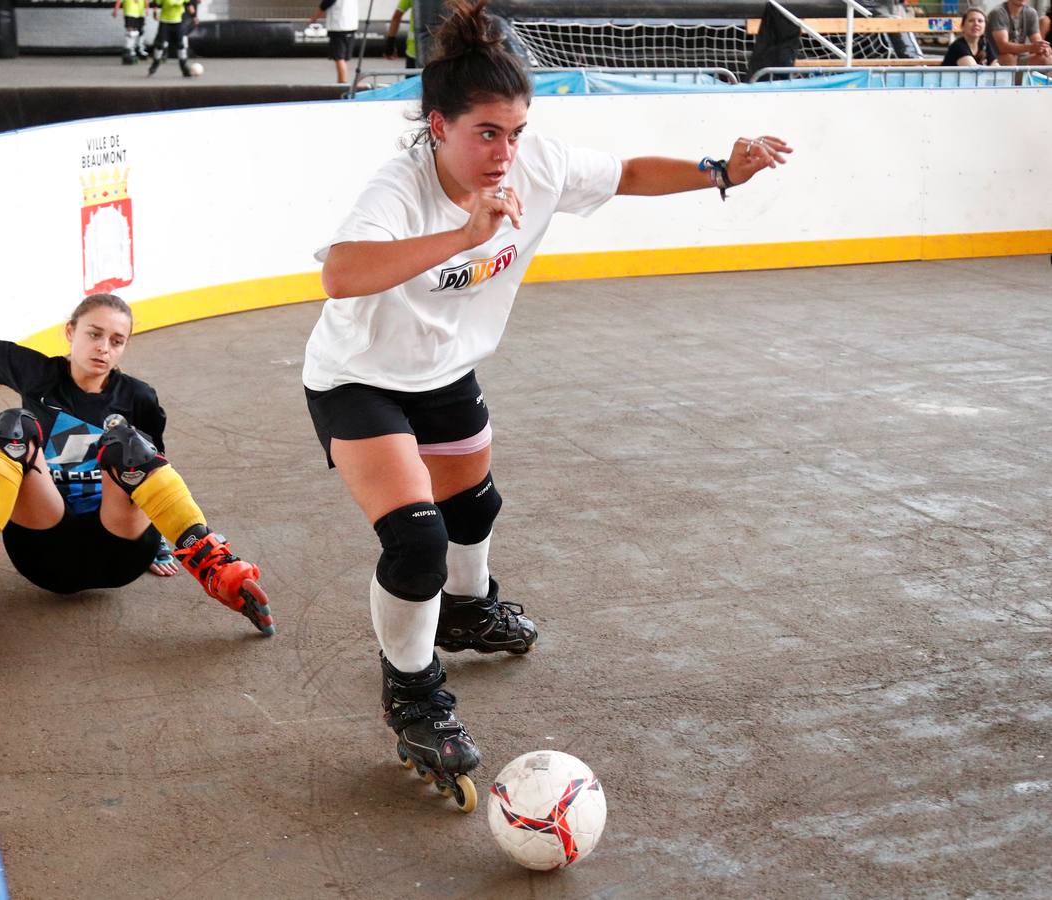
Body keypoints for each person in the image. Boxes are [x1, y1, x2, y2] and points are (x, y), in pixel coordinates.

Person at [303, 0, 790, 810]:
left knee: (474, 508)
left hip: (446, 368)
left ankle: (466, 611)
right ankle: (413, 689)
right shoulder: (400, 187)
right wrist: (464, 234)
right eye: (485, 133)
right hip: (360, 377)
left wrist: (720, 172)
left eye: (516, 131)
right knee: (417, 541)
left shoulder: (535, 166)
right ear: (437, 127)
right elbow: (341, 273)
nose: (504, 151)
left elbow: (627, 173)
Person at [0, 207, 273, 649]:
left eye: (116, 341)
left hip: (120, 548)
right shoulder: (37, 374)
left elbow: (157, 477)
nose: (103, 348)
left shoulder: (138, 397)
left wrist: (163, 542)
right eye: (93, 334)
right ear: (70, 332)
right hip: (45, 548)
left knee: (128, 443)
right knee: (13, 425)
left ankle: (214, 566)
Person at [304, 0, 361, 85]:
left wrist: (314, 18)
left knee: (339, 57)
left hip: (338, 27)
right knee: (344, 58)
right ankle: (343, 80)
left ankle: (342, 83)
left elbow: (325, 4)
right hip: (351, 25)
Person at [987, 0, 1052, 67]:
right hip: (995, 59)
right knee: (1009, 58)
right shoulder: (998, 13)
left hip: (1019, 58)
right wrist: (1031, 47)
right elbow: (1003, 47)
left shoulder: (1031, 13)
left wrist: (1044, 49)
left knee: (1046, 59)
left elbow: (1038, 43)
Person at [148, 0, 202, 78]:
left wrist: (194, 16)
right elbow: (156, 4)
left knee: (180, 45)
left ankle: (184, 67)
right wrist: (155, 14)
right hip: (165, 22)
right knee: (160, 45)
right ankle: (155, 64)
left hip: (177, 23)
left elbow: (189, 5)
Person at [112, 0, 151, 66]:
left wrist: (147, 9)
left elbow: (146, 1)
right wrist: (116, 10)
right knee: (131, 33)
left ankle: (138, 50)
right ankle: (128, 51)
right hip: (130, 11)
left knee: (139, 32)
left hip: (140, 12)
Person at [384, 0, 416, 69]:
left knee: (412, 79)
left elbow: (396, 17)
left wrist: (390, 44)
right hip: (440, 52)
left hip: (414, 51)